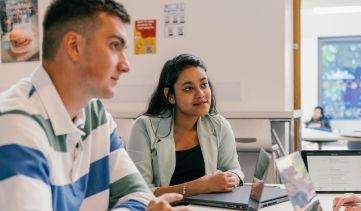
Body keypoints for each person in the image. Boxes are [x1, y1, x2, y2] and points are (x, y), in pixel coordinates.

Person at [0, 1, 189, 210]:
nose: (126, 65)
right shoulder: (15, 123)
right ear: (74, 46)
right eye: (114, 46)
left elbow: (139, 195)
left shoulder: (96, 115)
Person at [127, 54, 244, 198]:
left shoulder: (218, 124)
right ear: (170, 96)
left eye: (203, 85)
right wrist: (198, 186)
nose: (200, 94)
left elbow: (235, 170)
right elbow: (139, 192)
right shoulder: (144, 127)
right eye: (188, 88)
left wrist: (231, 178)